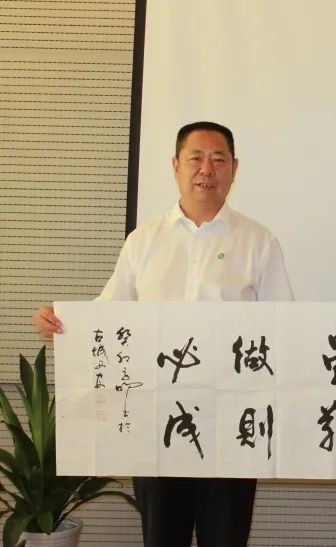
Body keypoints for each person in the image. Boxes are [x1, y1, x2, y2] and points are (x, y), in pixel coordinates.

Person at [33, 121, 293, 547]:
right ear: (175, 166)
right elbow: (109, 312)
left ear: (234, 169)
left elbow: (284, 325)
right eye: (196, 158)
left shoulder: (258, 242)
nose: (206, 169)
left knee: (225, 538)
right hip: (155, 423)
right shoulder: (144, 240)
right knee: (161, 538)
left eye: (218, 159)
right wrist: (62, 321)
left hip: (229, 425)